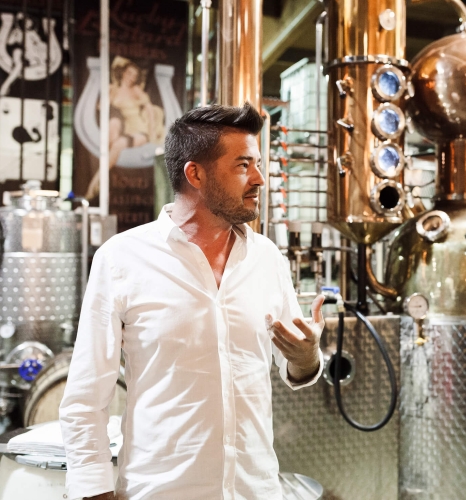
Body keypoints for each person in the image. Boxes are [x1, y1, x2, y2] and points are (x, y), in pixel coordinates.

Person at [60, 103, 324, 500]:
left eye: (258, 164)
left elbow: (294, 366)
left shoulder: (267, 258)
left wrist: (306, 359)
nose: (260, 179)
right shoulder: (121, 259)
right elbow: (85, 397)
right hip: (161, 491)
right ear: (195, 174)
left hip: (256, 489)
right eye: (242, 165)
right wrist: (95, 490)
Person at [85, 57, 165, 199]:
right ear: (123, 73)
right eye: (129, 73)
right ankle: (103, 185)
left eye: (134, 75)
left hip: (141, 132)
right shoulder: (113, 90)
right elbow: (102, 107)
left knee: (117, 145)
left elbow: (150, 112)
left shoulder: (136, 91)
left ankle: (95, 183)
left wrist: (152, 132)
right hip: (126, 129)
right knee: (111, 135)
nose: (131, 78)